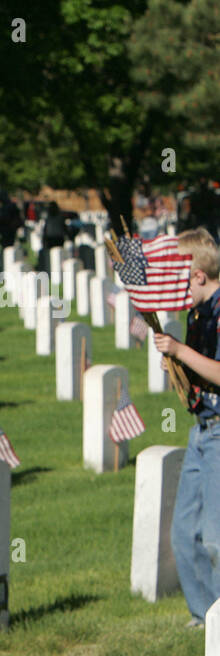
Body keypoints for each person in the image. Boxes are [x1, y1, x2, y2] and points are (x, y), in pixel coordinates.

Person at [151, 229, 220, 629]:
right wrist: (178, 364)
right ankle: (204, 617)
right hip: (201, 429)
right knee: (184, 533)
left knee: (214, 537)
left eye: (179, 277)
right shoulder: (198, 313)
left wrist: (181, 351)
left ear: (197, 275)